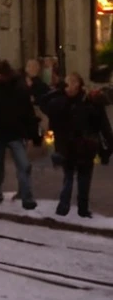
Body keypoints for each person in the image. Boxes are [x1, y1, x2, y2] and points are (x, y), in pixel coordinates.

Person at [41, 74, 113, 218]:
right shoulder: (60, 101)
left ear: (79, 85)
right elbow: (43, 103)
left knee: (83, 179)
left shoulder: (90, 101)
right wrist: (58, 90)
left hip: (86, 147)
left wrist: (108, 148)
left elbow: (103, 125)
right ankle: (63, 207)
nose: (69, 86)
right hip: (67, 148)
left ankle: (82, 209)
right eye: (67, 83)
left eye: (73, 82)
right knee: (68, 178)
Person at [0, 60, 38, 210]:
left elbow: (28, 113)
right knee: (5, 167)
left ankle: (25, 197)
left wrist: (32, 134)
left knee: (21, 166)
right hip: (3, 134)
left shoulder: (17, 90)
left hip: (11, 134)